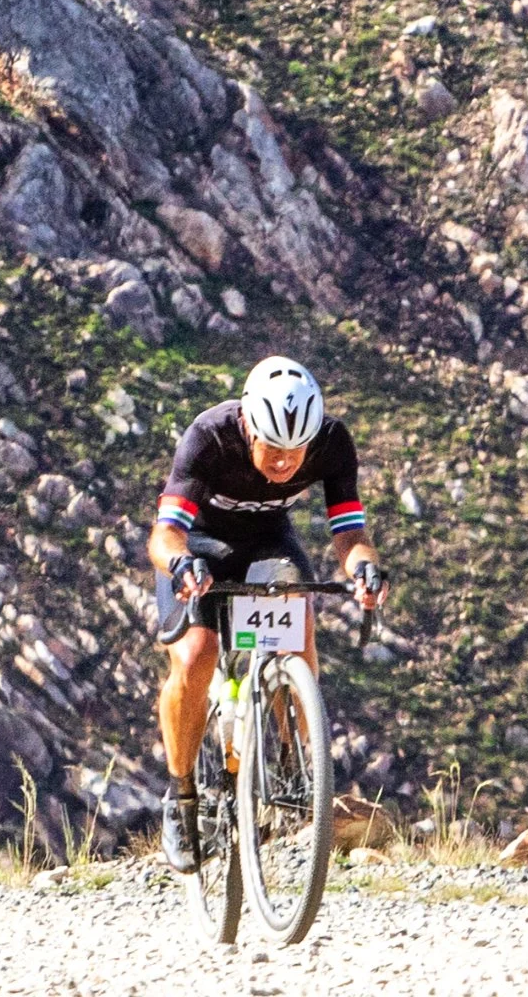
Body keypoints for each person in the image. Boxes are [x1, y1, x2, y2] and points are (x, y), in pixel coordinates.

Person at [148, 356, 387, 873]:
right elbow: (164, 535)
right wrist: (181, 562)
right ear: (249, 427)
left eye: (295, 451)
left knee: (296, 621)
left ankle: (290, 758)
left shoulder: (332, 442)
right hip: (199, 545)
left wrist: (366, 570)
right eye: (273, 448)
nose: (284, 463)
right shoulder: (209, 437)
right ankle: (181, 793)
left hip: (267, 544)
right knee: (195, 655)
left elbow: (349, 534)